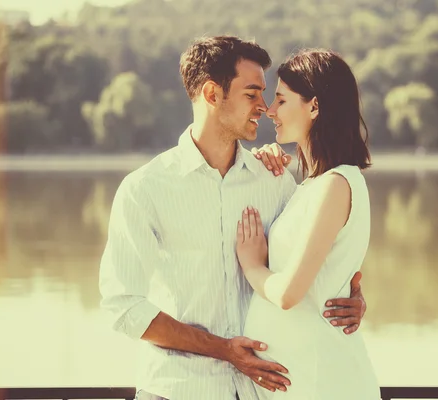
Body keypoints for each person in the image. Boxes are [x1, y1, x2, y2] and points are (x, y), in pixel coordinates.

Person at [98, 36, 367, 400]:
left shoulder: (275, 180)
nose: (265, 107)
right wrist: (223, 349)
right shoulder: (144, 189)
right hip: (176, 391)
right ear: (212, 94)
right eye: (251, 94)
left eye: (269, 96)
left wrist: (351, 297)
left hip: (257, 391)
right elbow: (123, 306)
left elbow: (317, 259)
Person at [236, 49, 379, 399]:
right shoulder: (310, 187)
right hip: (305, 381)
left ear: (314, 106)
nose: (270, 110)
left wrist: (252, 264)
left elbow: (288, 294)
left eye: (281, 100)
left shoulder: (335, 184)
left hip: (323, 381)